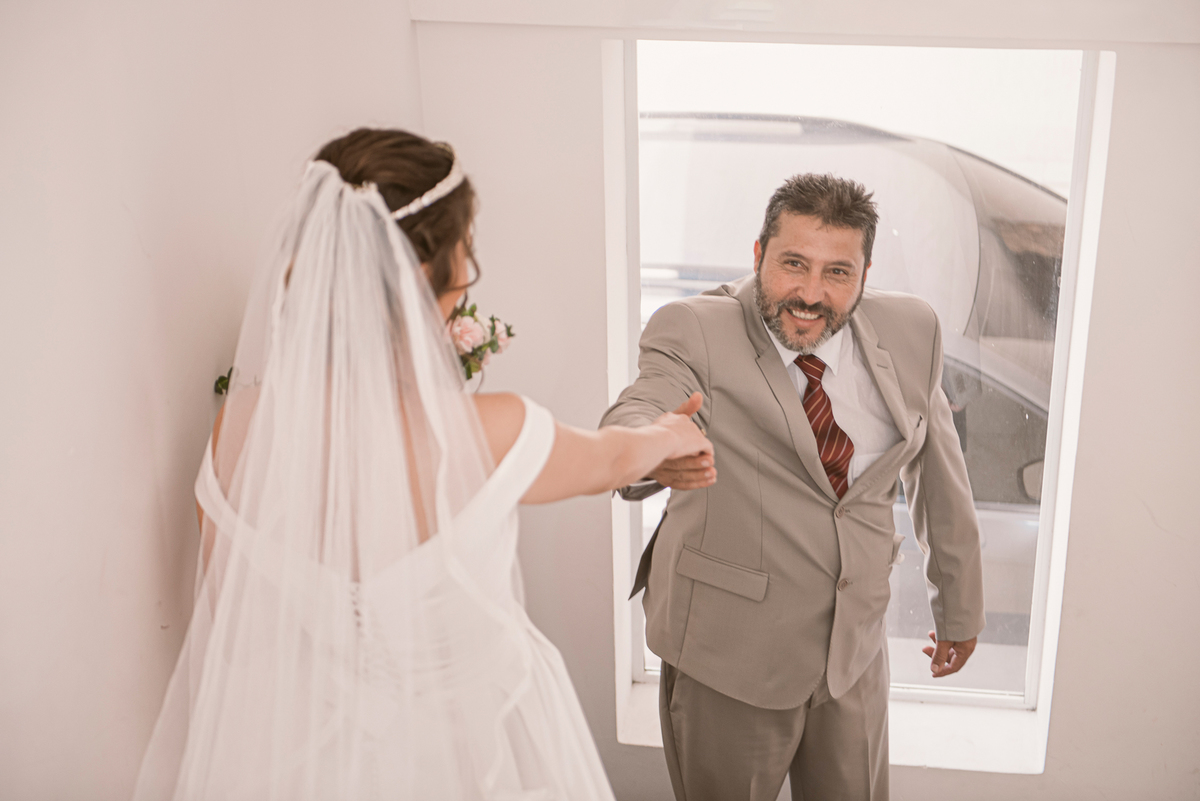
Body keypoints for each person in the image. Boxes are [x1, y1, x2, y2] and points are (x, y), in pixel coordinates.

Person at [133, 128, 712, 801]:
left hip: (306, 759)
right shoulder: (493, 429)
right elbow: (613, 456)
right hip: (472, 757)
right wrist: (670, 432)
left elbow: (232, 628)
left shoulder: (240, 427)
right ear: (432, 278)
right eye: (467, 242)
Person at [600, 173, 986, 801]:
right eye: (793, 265)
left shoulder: (915, 330)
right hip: (728, 659)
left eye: (838, 272)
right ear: (757, 257)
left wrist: (960, 607)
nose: (810, 294)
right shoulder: (694, 328)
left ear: (864, 274)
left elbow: (939, 473)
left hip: (853, 658)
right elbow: (643, 408)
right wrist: (652, 450)